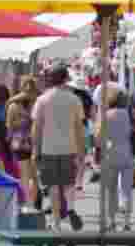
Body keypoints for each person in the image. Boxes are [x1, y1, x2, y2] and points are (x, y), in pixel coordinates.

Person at [32, 65, 86, 231]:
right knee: (69, 183)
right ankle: (69, 208)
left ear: (50, 79)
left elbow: (37, 127)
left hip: (48, 148)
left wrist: (36, 149)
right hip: (69, 147)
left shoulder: (42, 99)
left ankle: (56, 221)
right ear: (65, 79)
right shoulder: (74, 99)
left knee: (53, 187)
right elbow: (79, 127)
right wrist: (81, 150)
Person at [99, 91, 135, 231]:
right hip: (127, 153)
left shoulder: (106, 114)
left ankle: (112, 221)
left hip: (110, 154)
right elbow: (134, 132)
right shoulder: (128, 114)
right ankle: (126, 222)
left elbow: (99, 137)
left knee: (111, 189)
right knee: (126, 190)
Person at [7, 77, 40, 210]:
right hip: (36, 142)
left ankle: (28, 204)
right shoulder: (38, 103)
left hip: (18, 143)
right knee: (35, 176)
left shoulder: (13, 105)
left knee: (24, 176)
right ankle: (33, 203)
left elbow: (9, 127)